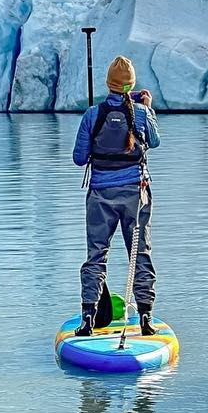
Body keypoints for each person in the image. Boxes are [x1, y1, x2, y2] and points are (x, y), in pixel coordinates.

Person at [73, 55, 161, 337]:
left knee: (96, 255)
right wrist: (146, 108)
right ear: (131, 85)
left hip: (100, 195)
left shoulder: (93, 115)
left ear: (108, 83)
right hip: (136, 193)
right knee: (139, 253)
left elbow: (79, 158)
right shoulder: (141, 113)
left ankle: (88, 319)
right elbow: (155, 142)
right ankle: (146, 318)